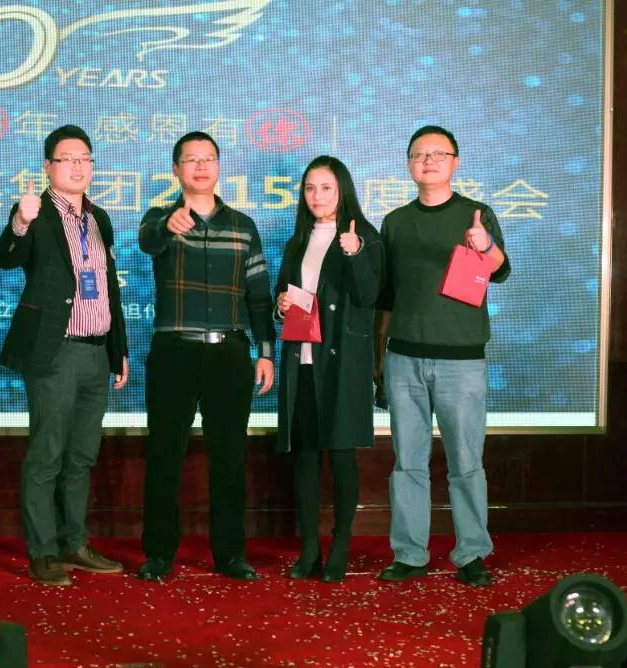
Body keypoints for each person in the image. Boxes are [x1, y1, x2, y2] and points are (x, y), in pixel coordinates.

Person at [374, 125, 510, 587]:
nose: (428, 161)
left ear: (456, 162)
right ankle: (410, 553)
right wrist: (379, 358)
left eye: (438, 153)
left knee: (465, 462)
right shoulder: (394, 222)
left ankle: (471, 552)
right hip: (403, 359)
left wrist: (485, 246)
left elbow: (501, 270)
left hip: (461, 361)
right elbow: (386, 298)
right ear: (408, 164)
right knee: (407, 463)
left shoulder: (477, 215)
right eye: (419, 154)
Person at [136, 131, 276, 582]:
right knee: (164, 455)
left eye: (208, 159)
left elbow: (259, 295)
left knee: (230, 457)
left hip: (229, 353)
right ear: (175, 170)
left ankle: (230, 554)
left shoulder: (243, 226)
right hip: (173, 351)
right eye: (191, 160)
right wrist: (167, 226)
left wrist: (266, 351)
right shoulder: (159, 218)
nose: (200, 167)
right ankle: (159, 554)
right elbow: (148, 241)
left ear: (218, 166)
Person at [0, 124, 130, 587]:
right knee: (47, 453)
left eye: (84, 159)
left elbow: (109, 288)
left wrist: (118, 349)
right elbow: (7, 257)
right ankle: (44, 551)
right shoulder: (36, 212)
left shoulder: (99, 218)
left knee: (81, 455)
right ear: (48, 167)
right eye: (67, 159)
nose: (77, 166)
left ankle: (75, 543)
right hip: (55, 351)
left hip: (97, 351)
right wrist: (20, 222)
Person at [274, 156, 381, 582]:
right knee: (304, 457)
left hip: (342, 363)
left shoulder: (363, 237)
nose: (316, 196)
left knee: (340, 455)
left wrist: (355, 254)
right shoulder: (297, 240)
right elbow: (284, 292)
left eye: (326, 188)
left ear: (343, 191)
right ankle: (308, 549)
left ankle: (339, 546)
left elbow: (369, 295)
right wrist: (282, 304)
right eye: (309, 188)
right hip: (301, 360)